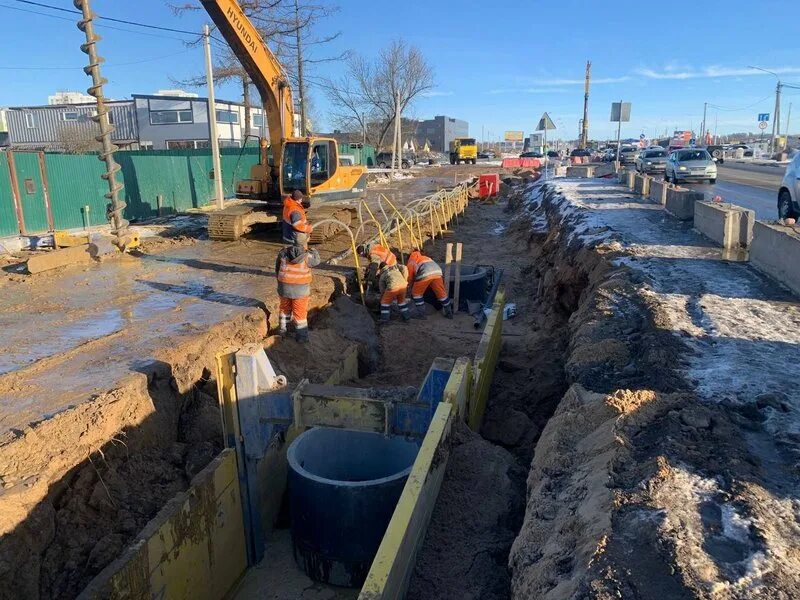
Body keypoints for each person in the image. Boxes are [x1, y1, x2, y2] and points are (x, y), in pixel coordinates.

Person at [275, 242, 320, 343]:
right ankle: (302, 338)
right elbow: (317, 260)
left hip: (284, 287)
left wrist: (280, 283)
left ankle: (282, 332)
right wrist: (314, 250)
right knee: (300, 314)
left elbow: (277, 268)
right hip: (301, 291)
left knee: (284, 309)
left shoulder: (283, 253)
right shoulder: (307, 256)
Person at [406, 248, 453, 319]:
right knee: (441, 293)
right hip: (437, 271)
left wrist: (409, 287)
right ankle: (449, 312)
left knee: (416, 294)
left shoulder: (411, 260)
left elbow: (410, 277)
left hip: (425, 272)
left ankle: (421, 315)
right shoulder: (426, 257)